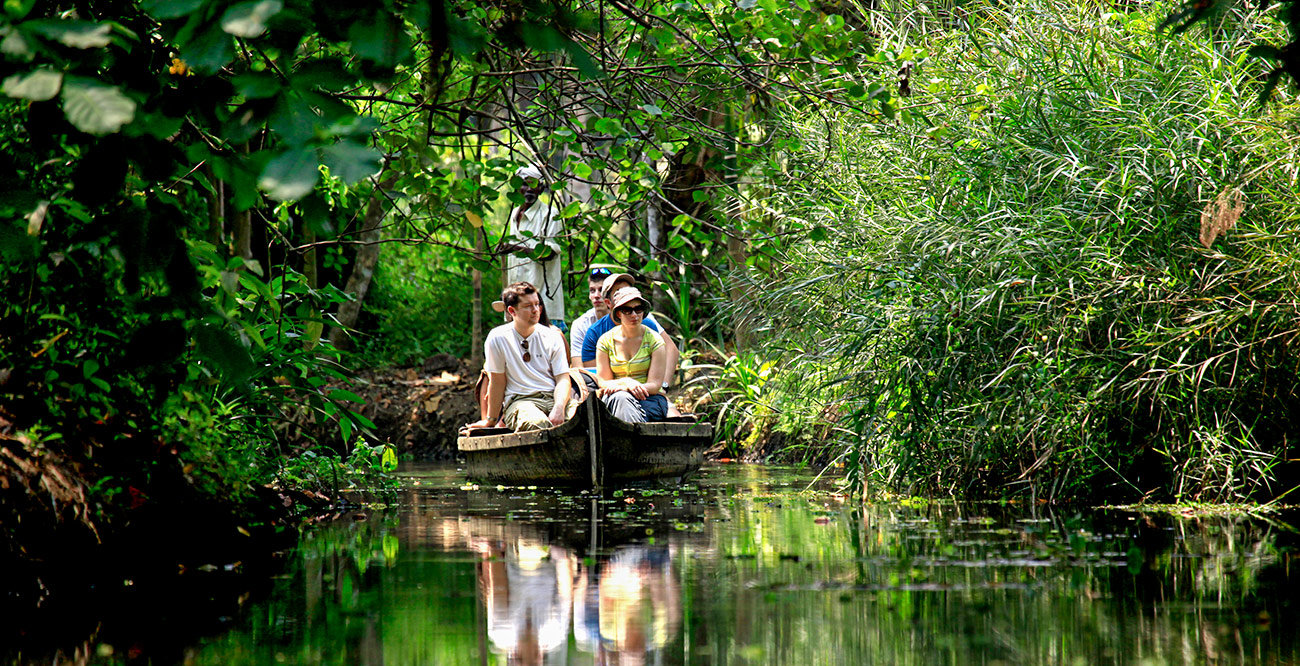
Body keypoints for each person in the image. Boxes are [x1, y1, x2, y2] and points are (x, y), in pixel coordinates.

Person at [469, 282, 571, 432]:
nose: (535, 310)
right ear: (512, 311)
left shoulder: (552, 336)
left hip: (553, 396)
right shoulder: (497, 338)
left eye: (537, 304)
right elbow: (497, 382)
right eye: (528, 306)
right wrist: (490, 420)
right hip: (521, 401)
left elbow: (563, 378)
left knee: (582, 421)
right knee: (538, 424)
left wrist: (559, 407)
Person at [501, 165, 566, 332]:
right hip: (516, 305)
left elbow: (550, 253)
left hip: (544, 301)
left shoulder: (550, 214)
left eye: (533, 184)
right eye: (524, 184)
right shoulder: (515, 214)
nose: (529, 189)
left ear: (541, 187)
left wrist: (516, 248)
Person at [595, 287, 669, 423]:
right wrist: (627, 383)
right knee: (620, 399)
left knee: (623, 401)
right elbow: (603, 382)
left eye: (638, 309)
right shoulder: (605, 341)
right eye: (627, 310)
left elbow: (655, 385)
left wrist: (628, 388)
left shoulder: (655, 340)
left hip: (649, 400)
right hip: (614, 397)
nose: (634, 315)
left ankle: (627, 437)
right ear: (618, 314)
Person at [569, 267, 616, 368]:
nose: (596, 295)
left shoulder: (633, 313)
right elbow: (579, 368)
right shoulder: (581, 324)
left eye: (601, 290)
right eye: (592, 291)